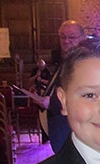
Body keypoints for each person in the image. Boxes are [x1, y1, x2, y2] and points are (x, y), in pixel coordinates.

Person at [36, 20, 86, 153]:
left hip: (71, 126)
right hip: (59, 125)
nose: (66, 41)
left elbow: (83, 94)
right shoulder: (66, 61)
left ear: (83, 38)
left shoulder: (83, 62)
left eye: (72, 37)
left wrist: (51, 102)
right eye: (63, 37)